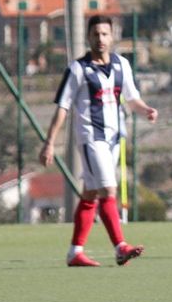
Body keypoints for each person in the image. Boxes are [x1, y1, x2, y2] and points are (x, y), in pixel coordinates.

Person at [39, 14, 158, 267]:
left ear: (112, 36)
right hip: (91, 137)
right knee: (108, 190)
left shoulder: (122, 65)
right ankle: (120, 247)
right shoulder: (78, 69)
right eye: (95, 34)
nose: (100, 39)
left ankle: (75, 252)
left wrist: (146, 109)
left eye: (105, 34)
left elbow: (132, 98)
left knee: (90, 194)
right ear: (88, 37)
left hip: (114, 138)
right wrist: (49, 143)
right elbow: (63, 107)